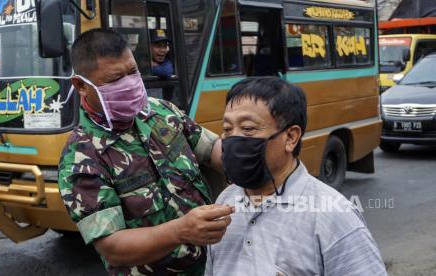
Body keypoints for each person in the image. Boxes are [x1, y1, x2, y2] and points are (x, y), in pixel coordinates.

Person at [58, 28, 233, 275]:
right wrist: (180, 230)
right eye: (115, 79)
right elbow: (113, 247)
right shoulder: (81, 157)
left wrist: (244, 160)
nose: (129, 84)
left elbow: (210, 148)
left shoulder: (162, 112)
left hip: (212, 263)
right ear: (81, 86)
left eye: (133, 72)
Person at [205, 77, 387, 275]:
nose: (233, 139)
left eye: (248, 129)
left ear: (291, 137)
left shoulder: (333, 215)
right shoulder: (225, 202)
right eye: (227, 129)